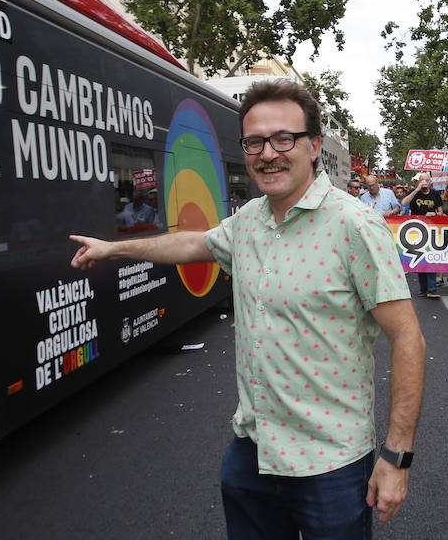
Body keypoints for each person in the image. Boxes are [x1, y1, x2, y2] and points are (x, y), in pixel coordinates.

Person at [69, 79, 426, 537]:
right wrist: (112, 249)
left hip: (330, 462)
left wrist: (396, 457)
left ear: (314, 146)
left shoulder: (355, 224)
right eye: (254, 142)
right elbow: (193, 243)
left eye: (284, 139)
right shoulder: (247, 221)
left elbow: (408, 339)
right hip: (251, 452)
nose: (268, 153)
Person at [403, 171, 443, 298]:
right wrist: (416, 190)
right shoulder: (414, 192)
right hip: (416, 230)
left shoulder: (435, 194)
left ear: (430, 182)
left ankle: (432, 288)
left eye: (426, 180)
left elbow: (441, 212)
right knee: (420, 259)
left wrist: (434, 214)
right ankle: (424, 288)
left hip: (431, 231)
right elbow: (403, 203)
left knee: (430, 258)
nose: (424, 182)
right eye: (421, 180)